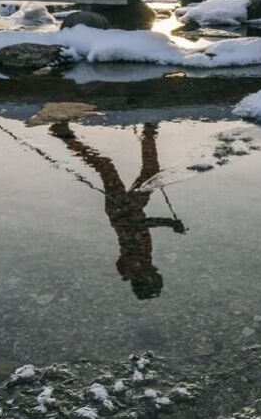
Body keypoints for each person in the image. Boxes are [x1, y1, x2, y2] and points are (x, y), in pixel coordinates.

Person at [48, 120, 186, 299]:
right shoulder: (142, 263)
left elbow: (139, 226)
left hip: (121, 208)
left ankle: (64, 135)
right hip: (132, 208)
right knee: (148, 172)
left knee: (107, 167)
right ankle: (149, 131)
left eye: (153, 275)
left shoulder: (132, 266)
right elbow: (140, 228)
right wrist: (168, 224)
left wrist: (169, 223)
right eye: (155, 274)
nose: (154, 271)